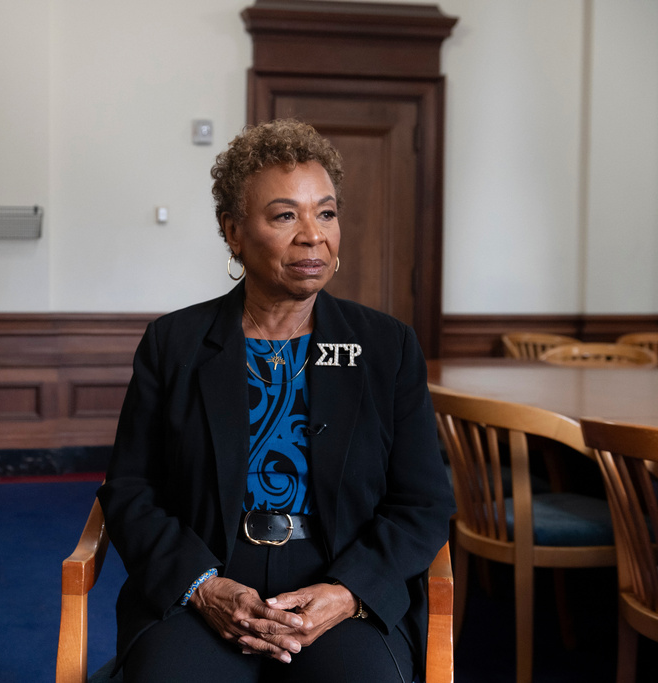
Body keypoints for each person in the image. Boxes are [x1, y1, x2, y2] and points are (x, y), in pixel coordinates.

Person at [98, 119, 454, 683]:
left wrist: (347, 592)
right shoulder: (175, 344)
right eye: (285, 215)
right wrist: (203, 586)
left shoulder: (387, 347)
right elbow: (131, 489)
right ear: (233, 230)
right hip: (209, 576)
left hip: (339, 583)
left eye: (327, 213)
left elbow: (423, 502)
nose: (313, 235)